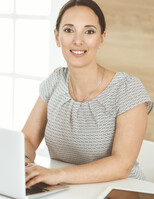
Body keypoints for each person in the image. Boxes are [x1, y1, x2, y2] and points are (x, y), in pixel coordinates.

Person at [24, 0, 153, 188]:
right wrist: (24, 161)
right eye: (69, 30)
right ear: (57, 36)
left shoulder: (127, 89)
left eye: (89, 31)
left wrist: (57, 174)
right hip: (68, 193)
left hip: (123, 195)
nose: (78, 40)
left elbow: (122, 165)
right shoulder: (55, 81)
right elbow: (28, 138)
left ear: (102, 38)